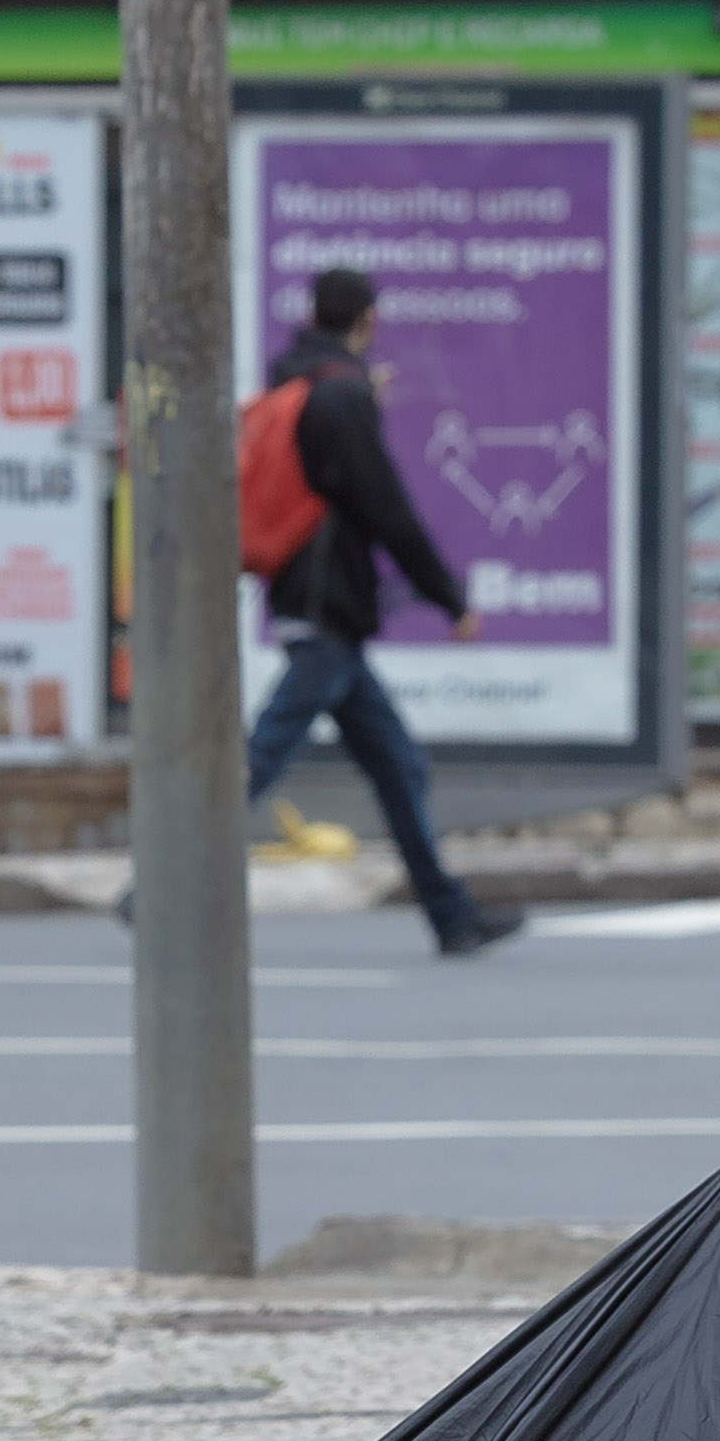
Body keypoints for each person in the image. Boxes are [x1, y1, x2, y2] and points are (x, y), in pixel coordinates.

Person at [246, 269, 524, 959]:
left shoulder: (307, 386)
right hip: (324, 605)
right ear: (367, 319)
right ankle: (163, 886)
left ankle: (451, 915)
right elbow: (385, 508)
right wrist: (449, 599)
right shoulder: (339, 397)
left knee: (396, 763)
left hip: (315, 604)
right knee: (258, 759)